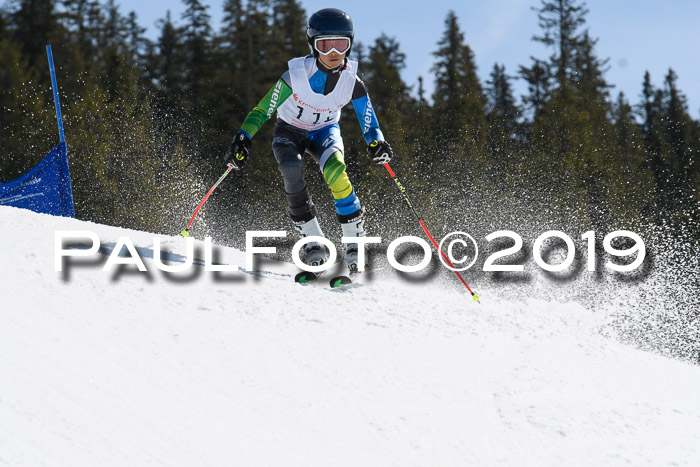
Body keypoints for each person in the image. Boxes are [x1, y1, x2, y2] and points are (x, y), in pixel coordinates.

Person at [223, 7, 393, 274]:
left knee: (336, 171)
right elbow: (262, 111)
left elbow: (369, 122)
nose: (334, 53)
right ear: (313, 46)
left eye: (341, 45)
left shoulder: (353, 82)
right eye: (325, 45)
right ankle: (312, 243)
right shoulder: (295, 76)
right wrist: (242, 138)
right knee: (291, 171)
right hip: (289, 131)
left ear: (350, 45)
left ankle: (354, 243)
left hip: (325, 131)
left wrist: (377, 142)